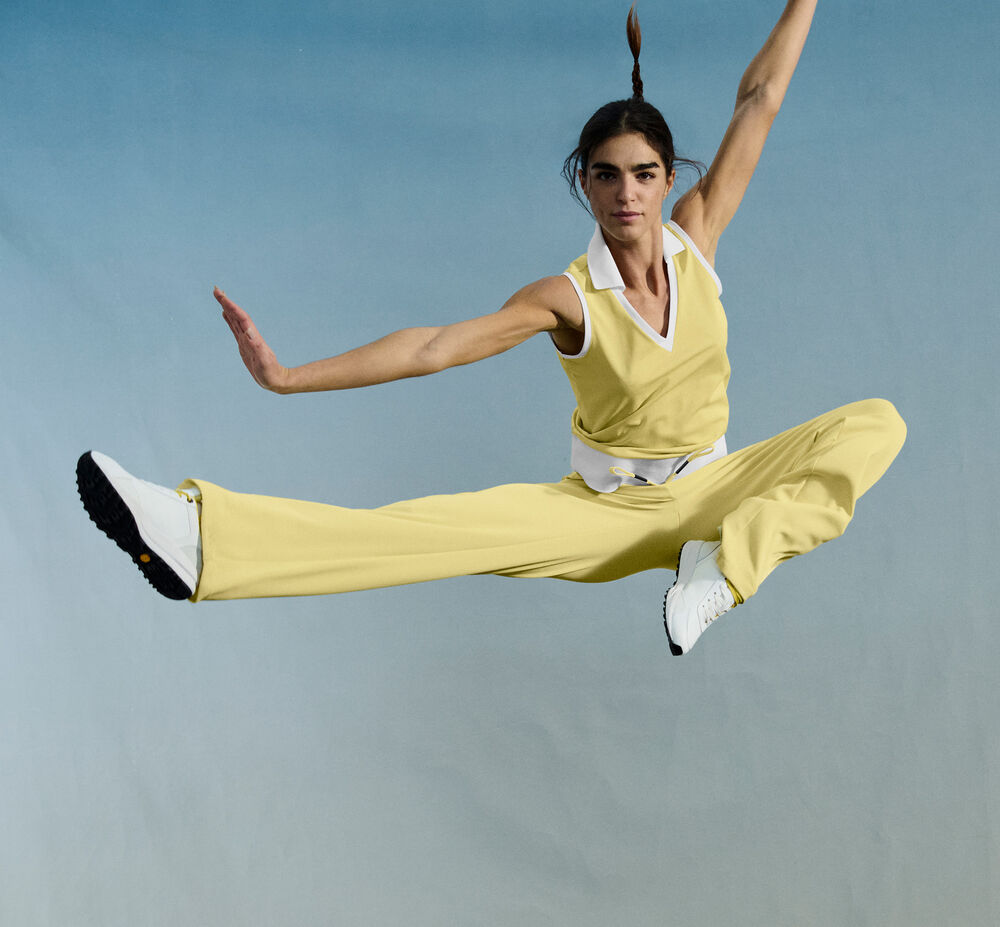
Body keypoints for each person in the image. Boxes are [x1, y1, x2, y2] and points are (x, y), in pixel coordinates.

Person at [77, 0, 905, 655]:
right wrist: (290, 376)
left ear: (668, 179)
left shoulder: (699, 236)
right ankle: (199, 540)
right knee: (423, 533)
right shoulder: (568, 298)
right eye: (607, 176)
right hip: (605, 514)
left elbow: (760, 99)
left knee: (875, 425)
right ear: (584, 185)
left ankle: (725, 567)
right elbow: (434, 346)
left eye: (644, 175)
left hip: (720, 487)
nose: (628, 195)